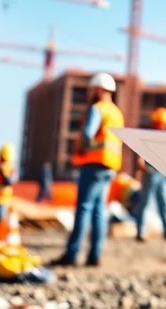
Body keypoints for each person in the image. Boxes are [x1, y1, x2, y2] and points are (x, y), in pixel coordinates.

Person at [51, 72, 124, 267]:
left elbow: (86, 135)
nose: (90, 93)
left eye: (92, 89)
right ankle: (94, 255)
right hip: (110, 167)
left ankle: (72, 254)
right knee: (99, 210)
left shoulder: (97, 109)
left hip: (93, 164)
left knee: (84, 208)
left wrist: (79, 152)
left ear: (99, 89)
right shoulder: (117, 113)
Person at [134, 107, 166, 242]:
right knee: (145, 202)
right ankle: (141, 232)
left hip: (163, 174)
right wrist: (142, 166)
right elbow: (140, 154)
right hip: (151, 171)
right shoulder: (148, 136)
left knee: (165, 202)